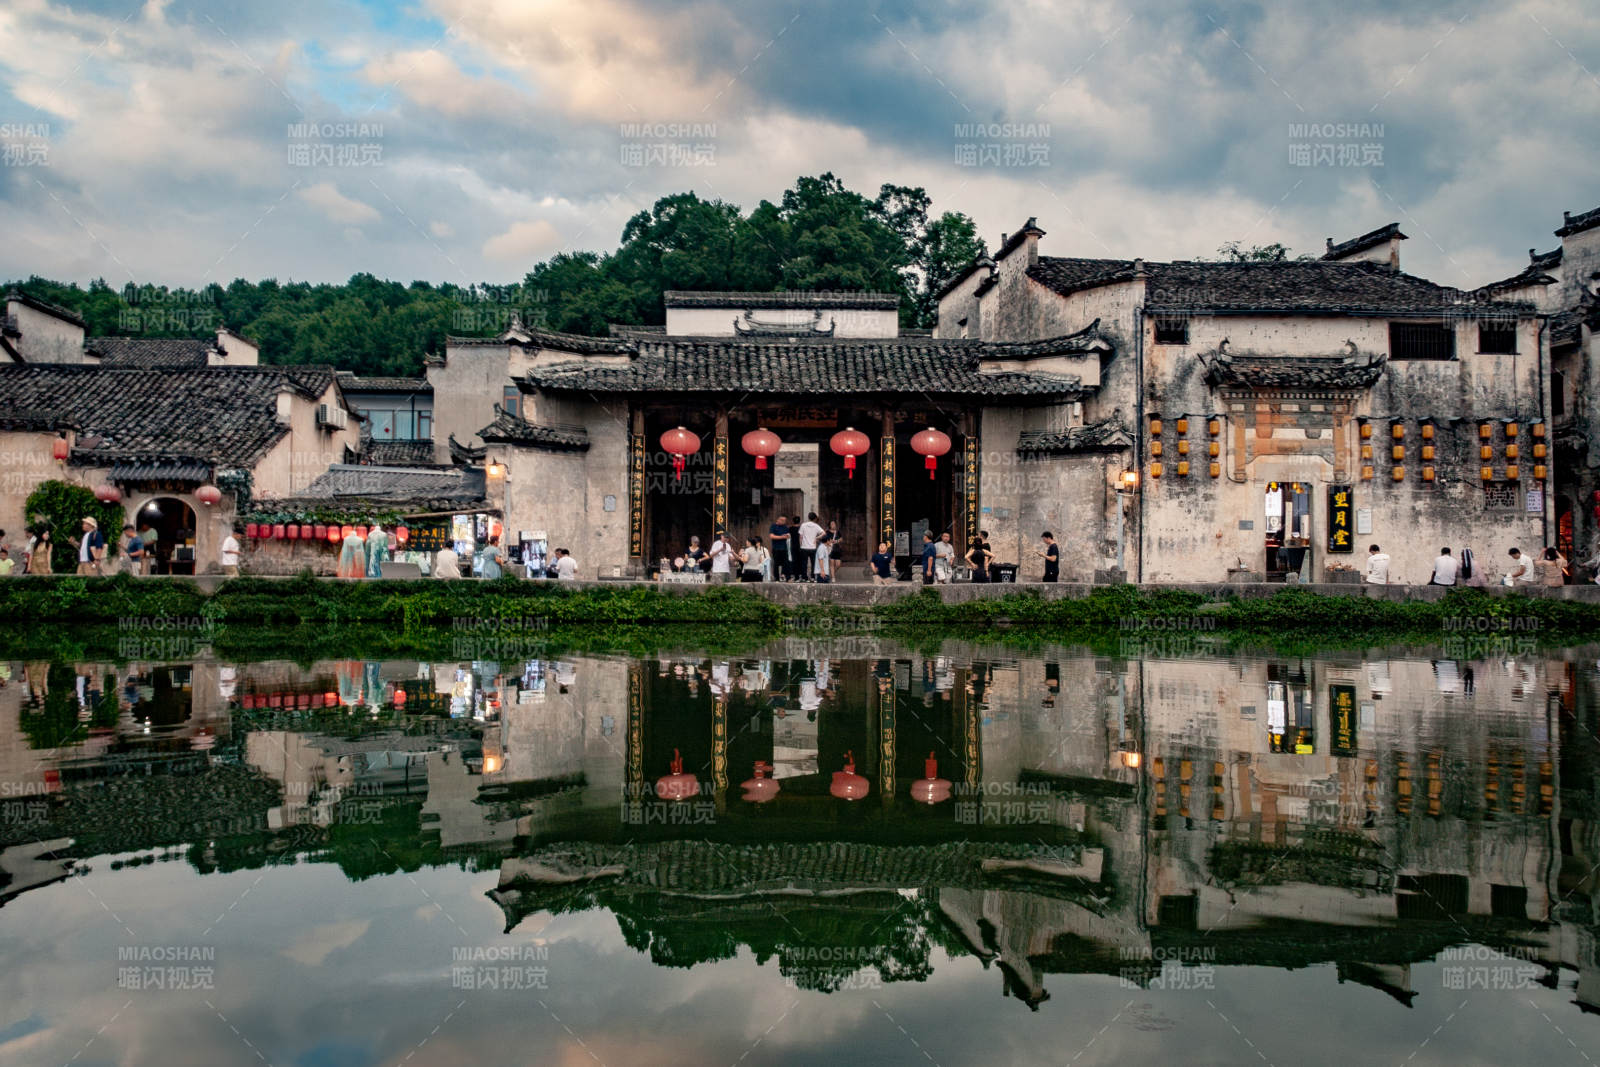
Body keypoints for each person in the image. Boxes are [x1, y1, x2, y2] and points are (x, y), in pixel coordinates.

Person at [796, 513, 824, 581]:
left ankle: (804, 577)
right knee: (813, 563)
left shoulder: (803, 525)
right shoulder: (816, 526)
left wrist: (800, 545)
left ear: (808, 517)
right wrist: (816, 538)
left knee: (804, 563)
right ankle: (813, 577)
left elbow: (800, 537)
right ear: (815, 518)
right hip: (813, 548)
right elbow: (824, 533)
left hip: (804, 547)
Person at [768, 514, 792, 582]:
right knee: (776, 564)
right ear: (778, 520)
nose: (783, 521)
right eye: (782, 520)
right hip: (776, 548)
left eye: (785, 520)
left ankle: (787, 577)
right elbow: (772, 536)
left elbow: (788, 535)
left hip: (784, 548)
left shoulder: (785, 527)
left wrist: (787, 535)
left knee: (786, 563)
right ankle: (776, 578)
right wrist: (782, 537)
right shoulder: (773, 526)